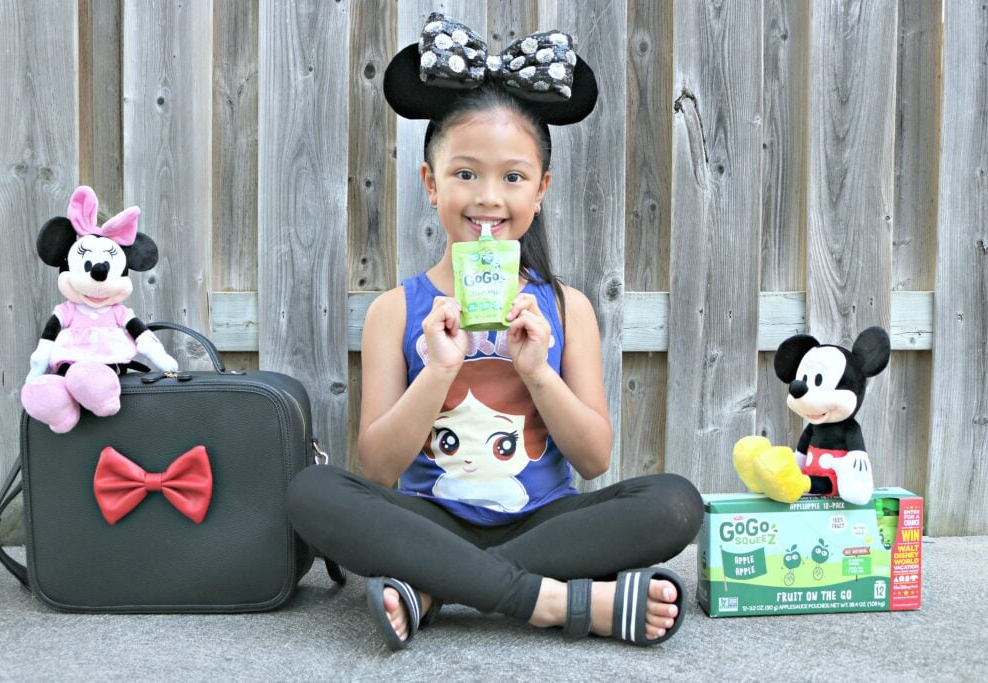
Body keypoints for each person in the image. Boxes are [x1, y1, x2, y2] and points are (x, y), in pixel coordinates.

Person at [285, 13, 703, 650]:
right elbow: (376, 468)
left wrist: (537, 372)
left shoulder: (568, 308)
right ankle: (558, 601)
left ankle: (432, 588)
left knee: (675, 502)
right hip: (431, 519)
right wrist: (439, 369)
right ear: (431, 183)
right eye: (464, 173)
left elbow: (593, 460)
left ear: (541, 191)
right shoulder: (395, 311)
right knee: (314, 494)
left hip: (544, 519)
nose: (488, 197)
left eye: (513, 177)